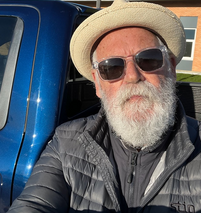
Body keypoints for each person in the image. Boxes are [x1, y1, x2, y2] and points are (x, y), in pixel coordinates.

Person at [8, 0, 201, 212]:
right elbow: (33, 205)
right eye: (112, 67)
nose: (133, 76)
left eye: (148, 60)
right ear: (98, 85)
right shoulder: (65, 143)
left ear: (172, 69)